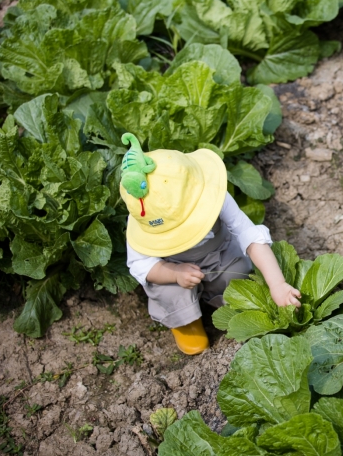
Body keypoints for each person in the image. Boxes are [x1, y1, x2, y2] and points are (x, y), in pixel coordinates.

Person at [119, 133, 301, 355]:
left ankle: (230, 304)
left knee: (236, 272)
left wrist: (277, 284)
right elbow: (141, 264)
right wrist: (174, 273)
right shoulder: (143, 217)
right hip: (172, 266)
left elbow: (249, 235)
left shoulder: (212, 193)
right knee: (167, 291)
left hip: (217, 254)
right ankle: (186, 322)